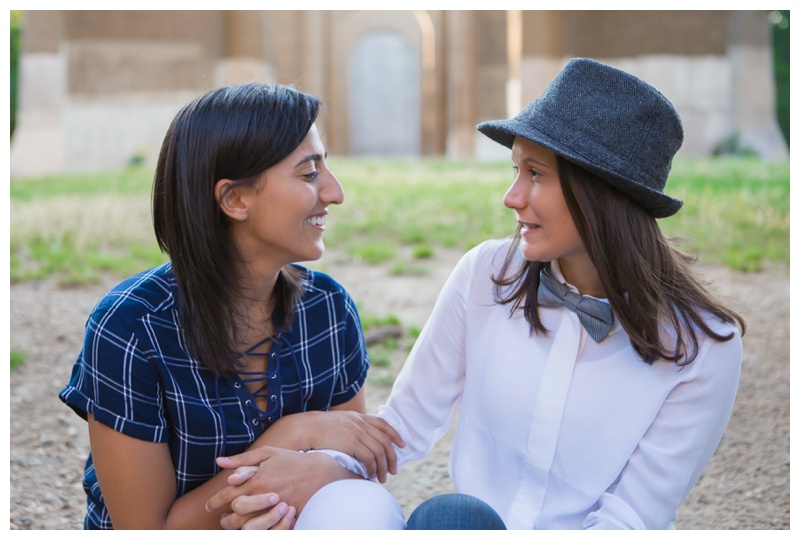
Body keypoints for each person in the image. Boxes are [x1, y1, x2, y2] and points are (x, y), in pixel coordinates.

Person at [211, 58, 746, 530]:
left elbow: (632, 518)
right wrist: (325, 468)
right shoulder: (486, 274)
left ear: (602, 194)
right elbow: (406, 425)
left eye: (535, 173)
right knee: (447, 518)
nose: (512, 197)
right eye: (516, 170)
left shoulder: (705, 345)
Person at [58, 82, 404, 530]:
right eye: (308, 173)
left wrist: (321, 472)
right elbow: (145, 531)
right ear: (235, 199)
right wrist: (293, 434)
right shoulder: (130, 327)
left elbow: (357, 470)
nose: (335, 192)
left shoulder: (328, 309)